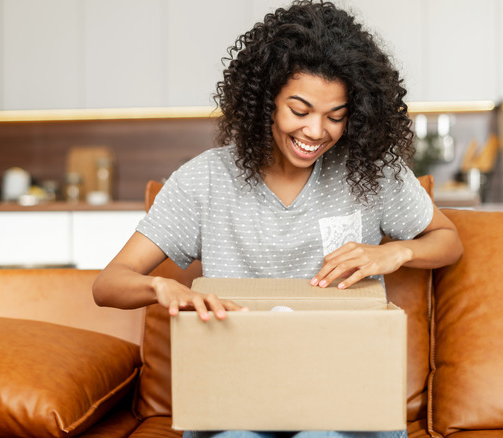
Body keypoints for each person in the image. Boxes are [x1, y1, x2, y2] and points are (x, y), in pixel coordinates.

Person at [93, 1, 463, 436]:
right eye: (300, 110)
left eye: (335, 117)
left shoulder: (370, 169)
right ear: (265, 100)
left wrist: (396, 252)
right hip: (236, 397)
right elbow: (108, 284)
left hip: (345, 393)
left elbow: (448, 240)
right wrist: (161, 286)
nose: (316, 131)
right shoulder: (206, 179)